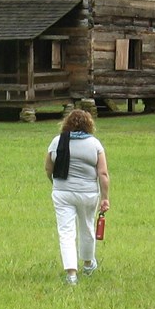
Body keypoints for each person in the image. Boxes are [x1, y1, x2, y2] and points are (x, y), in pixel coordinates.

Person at [44, 108, 110, 285]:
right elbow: (102, 173)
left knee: (66, 232)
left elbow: (48, 168)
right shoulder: (95, 144)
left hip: (62, 192)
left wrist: (56, 184)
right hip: (88, 193)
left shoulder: (57, 141)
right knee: (87, 227)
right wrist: (105, 197)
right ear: (89, 125)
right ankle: (88, 264)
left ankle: (71, 274)